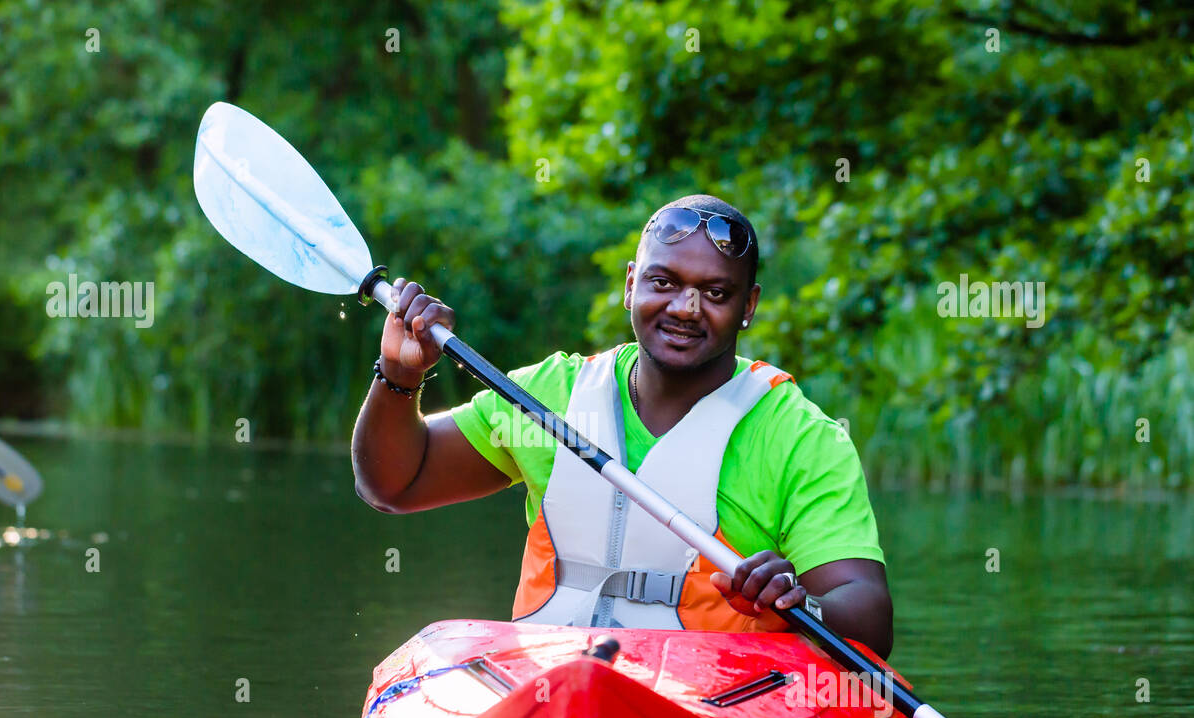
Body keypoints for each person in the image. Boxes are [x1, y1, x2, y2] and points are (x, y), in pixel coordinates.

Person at [352, 195, 894, 658]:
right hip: (545, 684)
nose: (685, 308)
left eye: (716, 293)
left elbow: (868, 614)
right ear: (632, 284)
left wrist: (800, 602)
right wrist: (400, 376)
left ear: (748, 305)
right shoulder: (550, 395)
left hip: (709, 705)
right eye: (663, 282)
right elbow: (393, 484)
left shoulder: (800, 437)